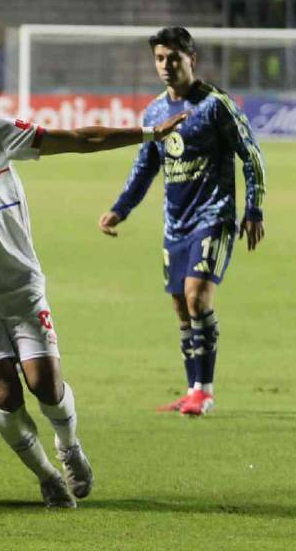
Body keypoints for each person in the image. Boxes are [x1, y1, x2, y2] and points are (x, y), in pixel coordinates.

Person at [0, 57, 186, 508]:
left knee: (45, 384)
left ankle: (68, 446)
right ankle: (46, 475)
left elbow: (81, 139)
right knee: (4, 391)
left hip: (17, 281)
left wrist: (148, 133)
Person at [98, 27, 266, 416]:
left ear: (193, 59)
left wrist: (253, 210)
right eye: (160, 58)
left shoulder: (215, 105)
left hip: (215, 216)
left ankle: (204, 392)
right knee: (180, 307)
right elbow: (145, 168)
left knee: (197, 297)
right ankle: (193, 389)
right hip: (176, 224)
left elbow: (252, 155)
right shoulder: (155, 112)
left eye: (174, 58)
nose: (166, 66)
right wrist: (120, 208)